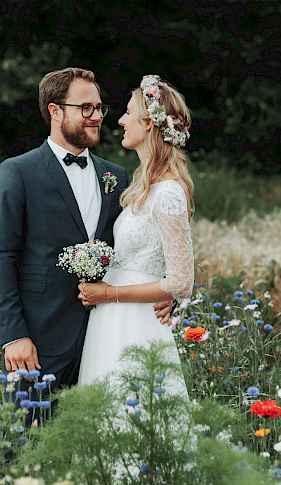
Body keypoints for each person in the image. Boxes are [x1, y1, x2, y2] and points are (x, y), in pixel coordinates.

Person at [0, 67, 172, 398]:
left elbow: (135, 249)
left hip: (106, 337)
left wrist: (164, 290)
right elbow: (1, 256)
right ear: (55, 111)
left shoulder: (116, 176)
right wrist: (13, 336)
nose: (96, 116)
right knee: (28, 445)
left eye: (99, 107)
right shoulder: (17, 172)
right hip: (38, 341)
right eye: (85, 108)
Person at [77, 74, 194, 393]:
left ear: (149, 124)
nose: (121, 120)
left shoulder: (169, 191)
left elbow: (182, 280)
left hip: (134, 320)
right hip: (112, 318)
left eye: (129, 112)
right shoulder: (142, 187)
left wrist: (108, 294)